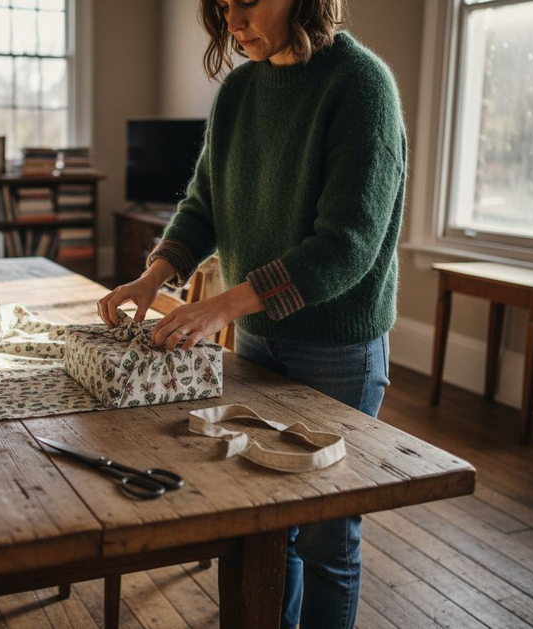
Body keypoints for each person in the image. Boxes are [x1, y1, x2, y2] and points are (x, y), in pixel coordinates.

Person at [97, 0, 406, 626]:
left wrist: (223, 306)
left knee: (324, 537)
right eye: (222, 6)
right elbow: (203, 204)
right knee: (270, 524)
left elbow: (346, 244)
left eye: (248, 2)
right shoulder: (238, 91)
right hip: (261, 343)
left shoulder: (361, 85)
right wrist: (153, 276)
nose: (232, 22)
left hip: (338, 349)